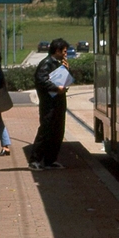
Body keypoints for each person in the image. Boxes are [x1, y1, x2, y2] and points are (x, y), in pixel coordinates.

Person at [29, 38, 70, 170]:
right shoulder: (46, 63)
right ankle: (35, 160)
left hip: (58, 103)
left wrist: (66, 70)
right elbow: (41, 80)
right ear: (57, 50)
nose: (65, 54)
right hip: (49, 104)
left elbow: (64, 80)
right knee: (46, 131)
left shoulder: (58, 63)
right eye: (64, 51)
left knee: (57, 132)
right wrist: (56, 88)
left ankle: (50, 160)